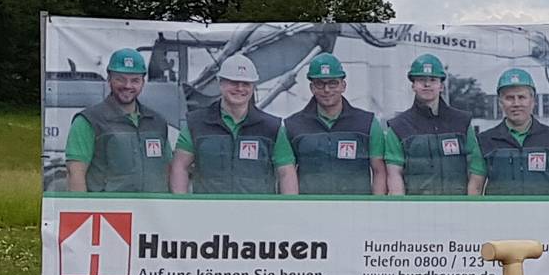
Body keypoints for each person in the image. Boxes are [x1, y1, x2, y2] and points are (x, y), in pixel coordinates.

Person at [64, 48, 187, 194]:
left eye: (135, 80)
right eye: (120, 79)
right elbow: (75, 173)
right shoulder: (88, 121)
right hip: (110, 213)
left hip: (153, 212)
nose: (128, 86)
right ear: (109, 79)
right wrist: (81, 212)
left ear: (143, 82)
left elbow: (168, 170)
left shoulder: (157, 122)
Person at [177, 54, 297, 195]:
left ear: (253, 87)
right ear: (220, 82)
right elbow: (180, 166)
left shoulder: (272, 128)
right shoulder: (196, 123)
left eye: (246, 83)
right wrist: (181, 207)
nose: (240, 88)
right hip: (209, 212)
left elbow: (286, 173)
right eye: (233, 82)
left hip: (258, 214)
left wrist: (288, 209)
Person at [468, 68, 549, 196]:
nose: (516, 103)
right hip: (499, 215)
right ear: (500, 102)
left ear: (533, 100)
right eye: (509, 98)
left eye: (522, 97)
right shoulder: (484, 141)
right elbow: (475, 187)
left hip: (543, 215)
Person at [286, 52, 386, 196]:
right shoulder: (293, 126)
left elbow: (379, 171)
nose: (327, 90)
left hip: (355, 212)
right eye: (320, 84)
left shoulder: (367, 123)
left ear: (343, 85)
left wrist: (377, 207)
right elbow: (286, 175)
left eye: (333, 83)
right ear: (312, 88)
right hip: (309, 212)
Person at [383, 54, 473, 196]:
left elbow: (474, 169)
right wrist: (399, 209)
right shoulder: (398, 126)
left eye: (433, 80)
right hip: (417, 210)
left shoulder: (462, 122)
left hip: (457, 208)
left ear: (441, 86)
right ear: (413, 85)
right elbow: (394, 174)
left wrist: (470, 207)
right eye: (421, 80)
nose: (427, 84)